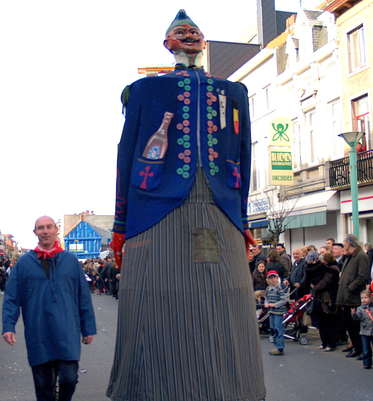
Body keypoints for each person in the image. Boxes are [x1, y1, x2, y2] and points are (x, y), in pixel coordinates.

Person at [106, 9, 265, 401]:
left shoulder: (235, 93)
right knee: (158, 306)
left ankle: (233, 387)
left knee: (226, 304)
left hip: (220, 205)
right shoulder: (143, 91)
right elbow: (127, 155)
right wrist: (122, 223)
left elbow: (244, 156)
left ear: (203, 43)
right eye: (182, 31)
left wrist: (241, 217)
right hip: (156, 208)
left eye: (195, 31)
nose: (190, 34)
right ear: (168, 43)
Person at [2, 216, 96, 401]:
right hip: (38, 332)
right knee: (43, 386)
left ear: (56, 230)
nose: (45, 231)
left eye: (49, 227)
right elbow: (12, 297)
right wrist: (8, 326)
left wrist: (88, 328)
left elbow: (83, 297)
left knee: (69, 379)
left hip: (67, 331)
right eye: (40, 228)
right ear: (35, 232)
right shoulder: (23, 263)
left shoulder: (71, 261)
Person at [336, 234, 370, 359]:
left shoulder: (361, 256)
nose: (343, 244)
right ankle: (356, 347)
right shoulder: (350, 256)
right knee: (350, 325)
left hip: (353, 297)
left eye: (344, 242)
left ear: (349, 243)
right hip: (346, 298)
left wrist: (349, 288)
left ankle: (361, 349)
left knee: (355, 326)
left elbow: (363, 277)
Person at [306, 251, 339, 352]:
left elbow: (324, 283)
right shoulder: (322, 269)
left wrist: (315, 286)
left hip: (328, 299)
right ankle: (324, 342)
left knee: (328, 322)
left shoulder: (332, 269)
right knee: (321, 322)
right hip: (321, 298)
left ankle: (331, 343)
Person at [351, 290, 373, 370]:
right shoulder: (360, 309)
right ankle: (367, 363)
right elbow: (357, 318)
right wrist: (354, 313)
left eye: (365, 298)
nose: (363, 300)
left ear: (370, 298)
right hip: (364, 331)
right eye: (362, 298)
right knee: (366, 349)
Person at [265, 270, 287, 355]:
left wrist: (274, 305)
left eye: (274, 278)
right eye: (271, 278)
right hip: (271, 312)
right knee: (273, 329)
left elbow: (284, 300)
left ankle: (280, 347)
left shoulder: (279, 289)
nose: (272, 280)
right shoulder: (268, 289)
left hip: (278, 312)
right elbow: (266, 298)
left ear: (277, 278)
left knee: (278, 329)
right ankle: (276, 346)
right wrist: (266, 304)